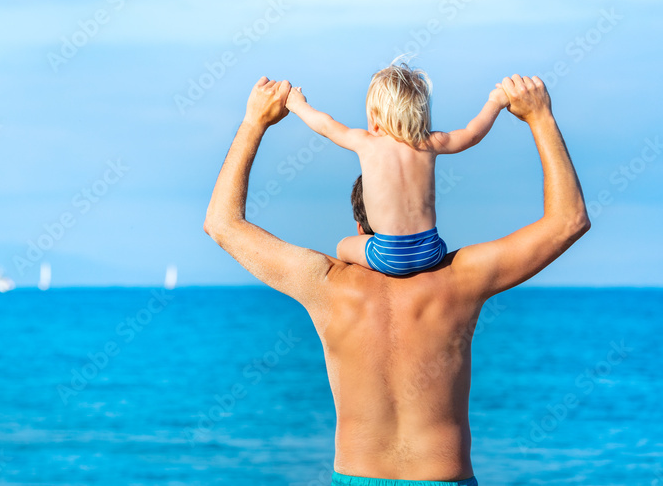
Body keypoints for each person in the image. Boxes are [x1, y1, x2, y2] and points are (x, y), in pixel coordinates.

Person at [203, 75, 589, 485]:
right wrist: (539, 116)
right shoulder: (462, 281)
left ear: (359, 223)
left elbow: (222, 224)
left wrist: (254, 122)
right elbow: (568, 222)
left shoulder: (326, 285)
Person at [285, 62, 511, 276]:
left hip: (386, 253)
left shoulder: (365, 142)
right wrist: (496, 101)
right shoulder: (430, 143)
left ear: (374, 119)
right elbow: (472, 134)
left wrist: (297, 104)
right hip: (432, 249)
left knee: (343, 246)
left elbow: (325, 125)